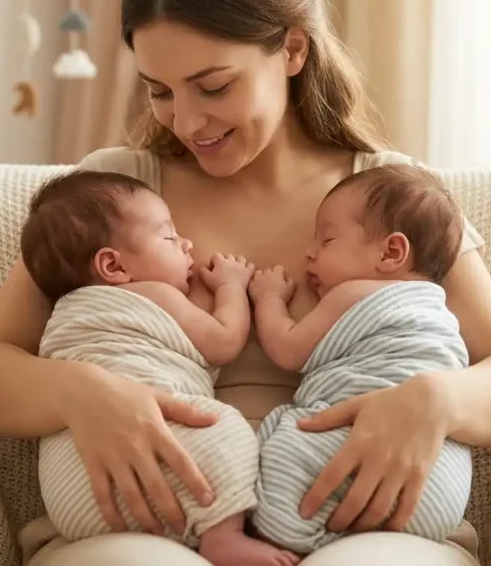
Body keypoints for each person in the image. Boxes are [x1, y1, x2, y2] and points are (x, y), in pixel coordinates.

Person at [0, 0, 491, 563]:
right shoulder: (117, 194)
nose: (186, 122)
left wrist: (437, 399)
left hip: (362, 524)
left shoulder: (385, 196)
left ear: (292, 50)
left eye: (213, 86)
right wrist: (82, 393)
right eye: (159, 92)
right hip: (148, 523)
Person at [20, 169, 299, 566]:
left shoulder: (63, 316)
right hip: (153, 453)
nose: (186, 244)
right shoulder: (154, 293)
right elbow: (223, 341)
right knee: (223, 426)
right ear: (114, 267)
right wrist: (232, 287)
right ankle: (224, 535)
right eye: (169, 237)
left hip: (73, 494)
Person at [248, 164, 472, 554]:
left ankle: (279, 537)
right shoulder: (440, 311)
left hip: (358, 448)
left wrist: (268, 299)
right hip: (438, 488)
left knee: (286, 444)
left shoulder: (351, 293)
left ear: (391, 252)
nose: (309, 252)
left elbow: (286, 348)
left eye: (327, 240)